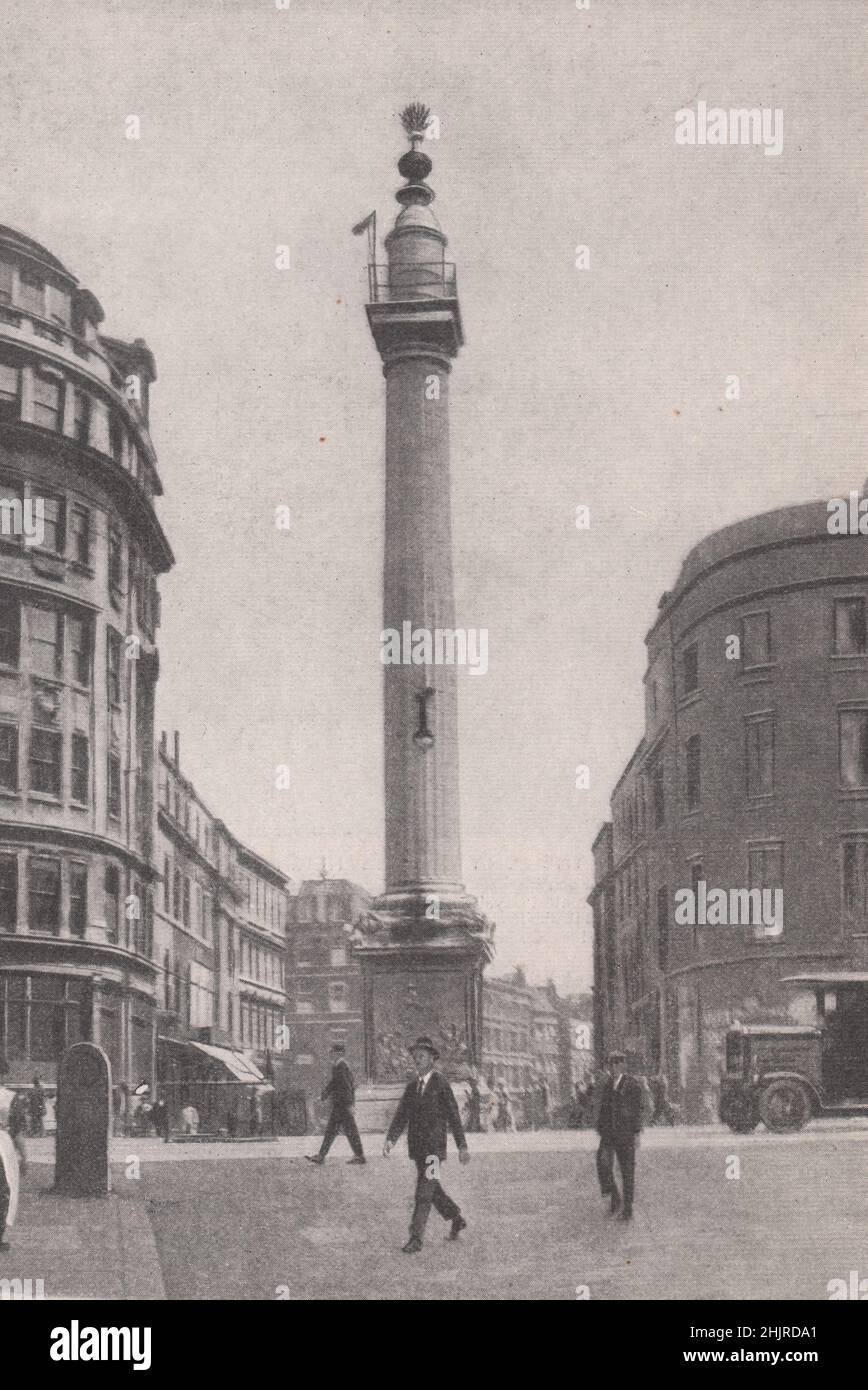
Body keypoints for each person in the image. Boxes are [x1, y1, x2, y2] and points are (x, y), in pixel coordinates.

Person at [383, 1036, 470, 1254]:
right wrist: (391, 1139)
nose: (417, 1060)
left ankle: (416, 1238)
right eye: (416, 1056)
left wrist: (462, 1146)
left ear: (432, 1059)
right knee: (432, 1190)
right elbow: (402, 1114)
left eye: (422, 1056)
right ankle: (456, 1218)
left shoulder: (441, 1083)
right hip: (418, 1150)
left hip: (434, 1151)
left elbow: (453, 1116)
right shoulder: (413, 1086)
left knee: (423, 1192)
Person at [596, 1049, 644, 1222]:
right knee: (603, 1164)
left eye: (616, 1065)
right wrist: (601, 1129)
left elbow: (637, 1110)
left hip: (625, 1134)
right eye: (612, 1065)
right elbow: (604, 1108)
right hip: (609, 1134)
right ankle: (615, 1196)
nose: (614, 1068)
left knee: (627, 1171)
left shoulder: (632, 1084)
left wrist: (637, 1132)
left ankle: (628, 1208)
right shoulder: (609, 1084)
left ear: (620, 1066)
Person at [306, 1044, 365, 1164]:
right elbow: (334, 1083)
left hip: (343, 1105)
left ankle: (359, 1156)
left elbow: (347, 1087)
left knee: (345, 1131)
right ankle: (322, 1156)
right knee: (333, 1131)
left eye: (332, 1052)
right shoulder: (339, 1065)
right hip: (341, 1105)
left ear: (338, 1053)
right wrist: (323, 1096)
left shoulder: (341, 1066)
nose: (330, 1054)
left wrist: (349, 1104)